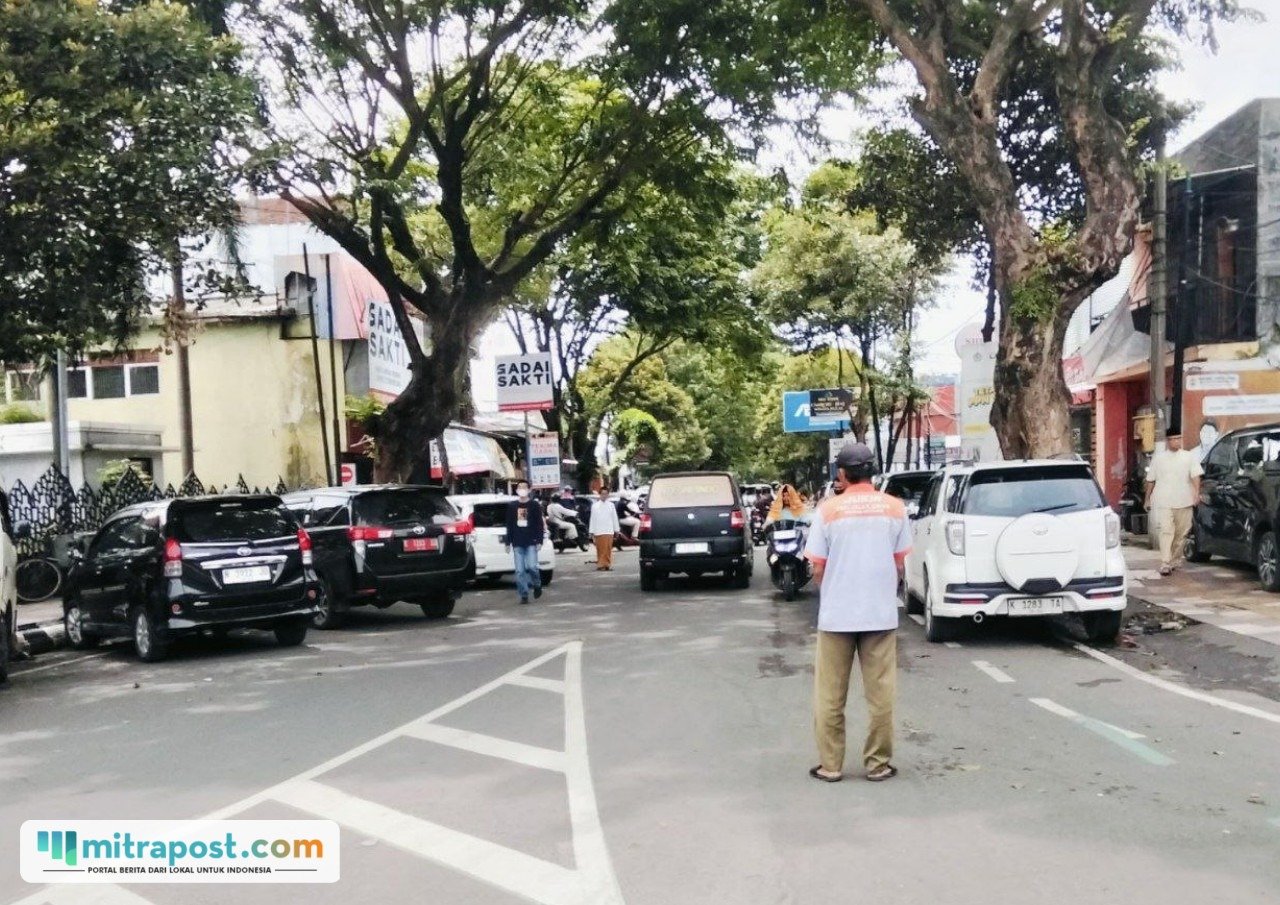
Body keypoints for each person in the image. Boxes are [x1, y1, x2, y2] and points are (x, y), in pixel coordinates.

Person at [803, 442, 911, 784]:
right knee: (881, 697)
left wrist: (834, 591)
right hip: (880, 615)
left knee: (829, 697)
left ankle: (831, 766)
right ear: (872, 472)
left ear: (842, 473)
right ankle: (878, 765)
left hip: (837, 617)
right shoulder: (895, 508)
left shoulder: (828, 511)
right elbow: (899, 563)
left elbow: (817, 567)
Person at [1145, 432, 1204, 576]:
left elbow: (1195, 476)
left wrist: (1197, 493)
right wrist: (1147, 499)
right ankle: (1165, 562)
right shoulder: (1159, 459)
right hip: (1164, 501)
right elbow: (1151, 480)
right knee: (1166, 531)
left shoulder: (1189, 457)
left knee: (1181, 533)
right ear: (1168, 441)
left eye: (1179, 438)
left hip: (1185, 500)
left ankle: (1175, 559)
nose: (1177, 441)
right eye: (1174, 439)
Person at [504, 482, 546, 604]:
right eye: (520, 487)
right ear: (516, 490)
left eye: (524, 487)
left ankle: (537, 584)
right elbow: (509, 525)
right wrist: (507, 542)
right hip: (517, 542)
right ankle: (524, 594)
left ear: (529, 490)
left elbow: (539, 524)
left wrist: (539, 540)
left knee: (532, 567)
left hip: (531, 541)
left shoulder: (534, 505)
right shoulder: (512, 506)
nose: (522, 489)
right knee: (519, 571)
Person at [589, 485, 621, 571]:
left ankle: (607, 565)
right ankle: (601, 565)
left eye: (606, 494)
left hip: (609, 531)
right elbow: (592, 519)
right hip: (598, 531)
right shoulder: (595, 506)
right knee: (600, 549)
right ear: (600, 494)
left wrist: (617, 530)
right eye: (602, 494)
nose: (604, 496)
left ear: (608, 495)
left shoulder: (611, 505)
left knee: (607, 549)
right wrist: (591, 532)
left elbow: (614, 518)